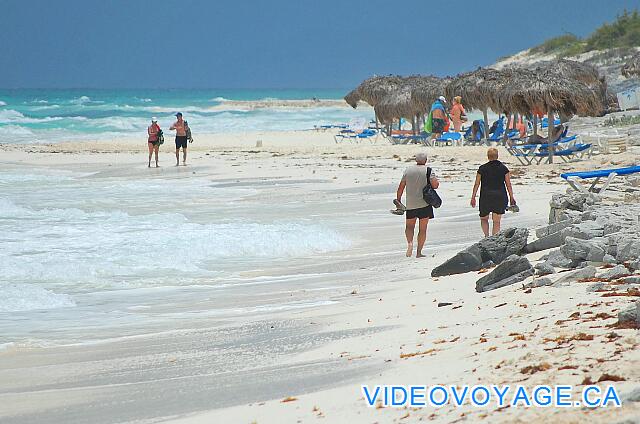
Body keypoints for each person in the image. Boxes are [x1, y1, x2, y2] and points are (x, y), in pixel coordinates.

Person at [396, 152, 440, 258]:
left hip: (411, 204)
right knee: (423, 229)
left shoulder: (408, 170)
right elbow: (435, 185)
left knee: (409, 226)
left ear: (416, 160)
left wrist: (398, 201)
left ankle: (410, 244)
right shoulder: (428, 170)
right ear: (425, 161)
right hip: (425, 204)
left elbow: (401, 187)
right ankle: (419, 252)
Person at [470, 148, 516, 237]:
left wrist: (473, 197)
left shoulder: (482, 168)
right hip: (500, 196)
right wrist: (511, 197)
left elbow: (476, 184)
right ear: (497, 156)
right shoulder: (503, 168)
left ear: (488, 157)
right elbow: (508, 184)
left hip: (486, 196)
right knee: (496, 220)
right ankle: (494, 238)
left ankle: (486, 237)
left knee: (484, 218)